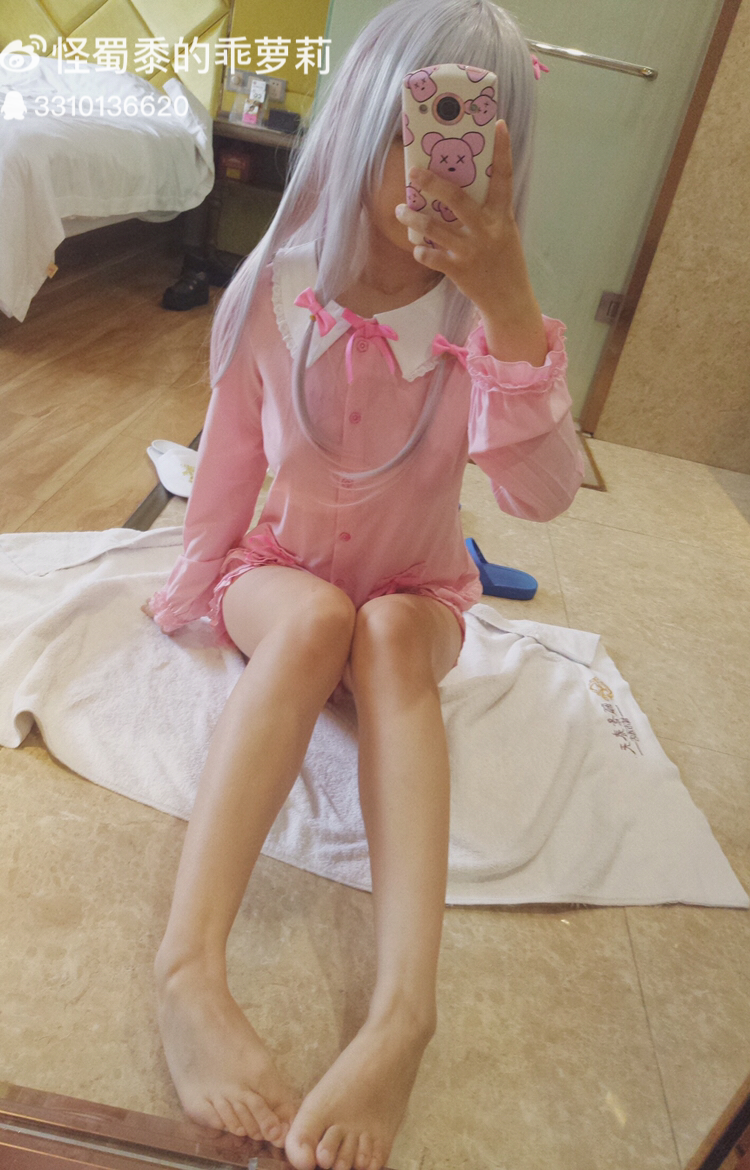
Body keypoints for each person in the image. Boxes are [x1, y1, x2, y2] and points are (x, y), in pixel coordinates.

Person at [143, 2, 584, 1169]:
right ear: (355, 127)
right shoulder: (277, 289)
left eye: (466, 140)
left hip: (418, 591)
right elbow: (228, 463)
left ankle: (403, 1015)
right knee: (319, 620)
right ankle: (187, 968)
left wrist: (508, 305)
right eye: (408, 131)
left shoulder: (487, 326)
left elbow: (543, 496)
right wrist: (191, 583)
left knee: (383, 630)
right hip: (280, 578)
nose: (427, 169)